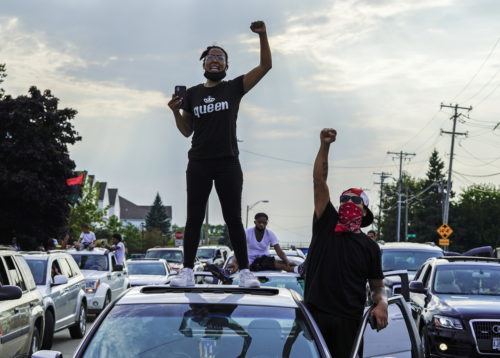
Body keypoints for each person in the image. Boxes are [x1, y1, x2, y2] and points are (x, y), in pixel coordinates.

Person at [167, 21, 272, 288]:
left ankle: (245, 272)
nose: (215, 60)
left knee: (233, 218)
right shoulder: (192, 94)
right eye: (211, 57)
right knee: (194, 218)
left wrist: (262, 35)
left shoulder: (233, 88)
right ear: (203, 64)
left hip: (228, 162)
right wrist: (174, 112)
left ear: (226, 66)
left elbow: (264, 67)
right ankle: (187, 271)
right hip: (199, 163)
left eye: (220, 58)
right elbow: (185, 132)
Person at [303, 128, 388, 358]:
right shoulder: (326, 224)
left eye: (355, 199)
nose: (348, 202)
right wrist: (325, 145)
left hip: (350, 323)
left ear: (364, 210)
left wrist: (382, 303)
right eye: (344, 199)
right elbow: (318, 181)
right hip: (313, 318)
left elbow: (377, 285)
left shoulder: (370, 247)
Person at [229, 213, 295, 273]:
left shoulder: (270, 234)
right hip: (250, 261)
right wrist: (234, 262)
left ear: (266, 223)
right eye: (259, 222)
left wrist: (287, 261)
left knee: (284, 265)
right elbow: (238, 249)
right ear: (255, 222)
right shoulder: (247, 232)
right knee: (239, 268)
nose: (261, 224)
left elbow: (279, 251)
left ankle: (298, 269)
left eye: (264, 223)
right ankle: (228, 273)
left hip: (264, 260)